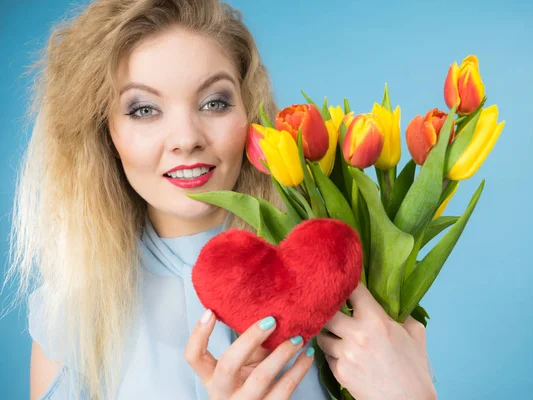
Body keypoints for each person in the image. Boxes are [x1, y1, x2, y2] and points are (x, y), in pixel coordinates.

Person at [7, 0, 438, 399]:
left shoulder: (340, 273)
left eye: (214, 102)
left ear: (248, 114)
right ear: (106, 132)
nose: (186, 139)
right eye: (143, 109)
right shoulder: (71, 314)